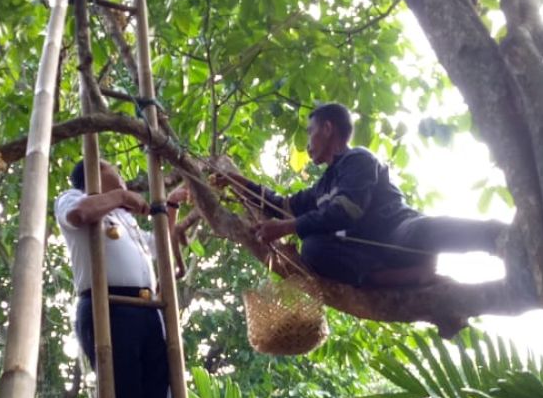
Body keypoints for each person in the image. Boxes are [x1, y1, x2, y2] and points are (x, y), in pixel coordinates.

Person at [216, 102, 527, 290]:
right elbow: (279, 205)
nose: (307, 142)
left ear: (327, 128)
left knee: (422, 228)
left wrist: (286, 228)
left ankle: (502, 240)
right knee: (312, 249)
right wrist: (236, 180)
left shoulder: (358, 159)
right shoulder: (323, 185)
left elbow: (345, 211)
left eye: (310, 132)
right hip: (370, 259)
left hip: (398, 235)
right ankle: (406, 277)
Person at [55, 158, 198, 398]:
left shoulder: (126, 218)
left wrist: (169, 208)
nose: (116, 168)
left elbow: (163, 254)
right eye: (108, 164)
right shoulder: (75, 198)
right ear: (92, 176)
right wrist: (119, 196)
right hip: (106, 308)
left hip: (147, 311)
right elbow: (81, 214)